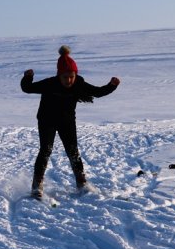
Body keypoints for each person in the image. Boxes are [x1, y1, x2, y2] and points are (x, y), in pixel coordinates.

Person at [21, 45, 120, 199]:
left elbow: (98, 92)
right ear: (59, 75)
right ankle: (37, 186)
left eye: (71, 76)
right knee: (45, 151)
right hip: (47, 120)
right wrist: (28, 77)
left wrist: (112, 85)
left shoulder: (79, 84)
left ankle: (82, 183)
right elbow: (27, 88)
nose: (69, 80)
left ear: (75, 75)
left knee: (73, 152)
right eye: (65, 77)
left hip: (66, 121)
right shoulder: (50, 84)